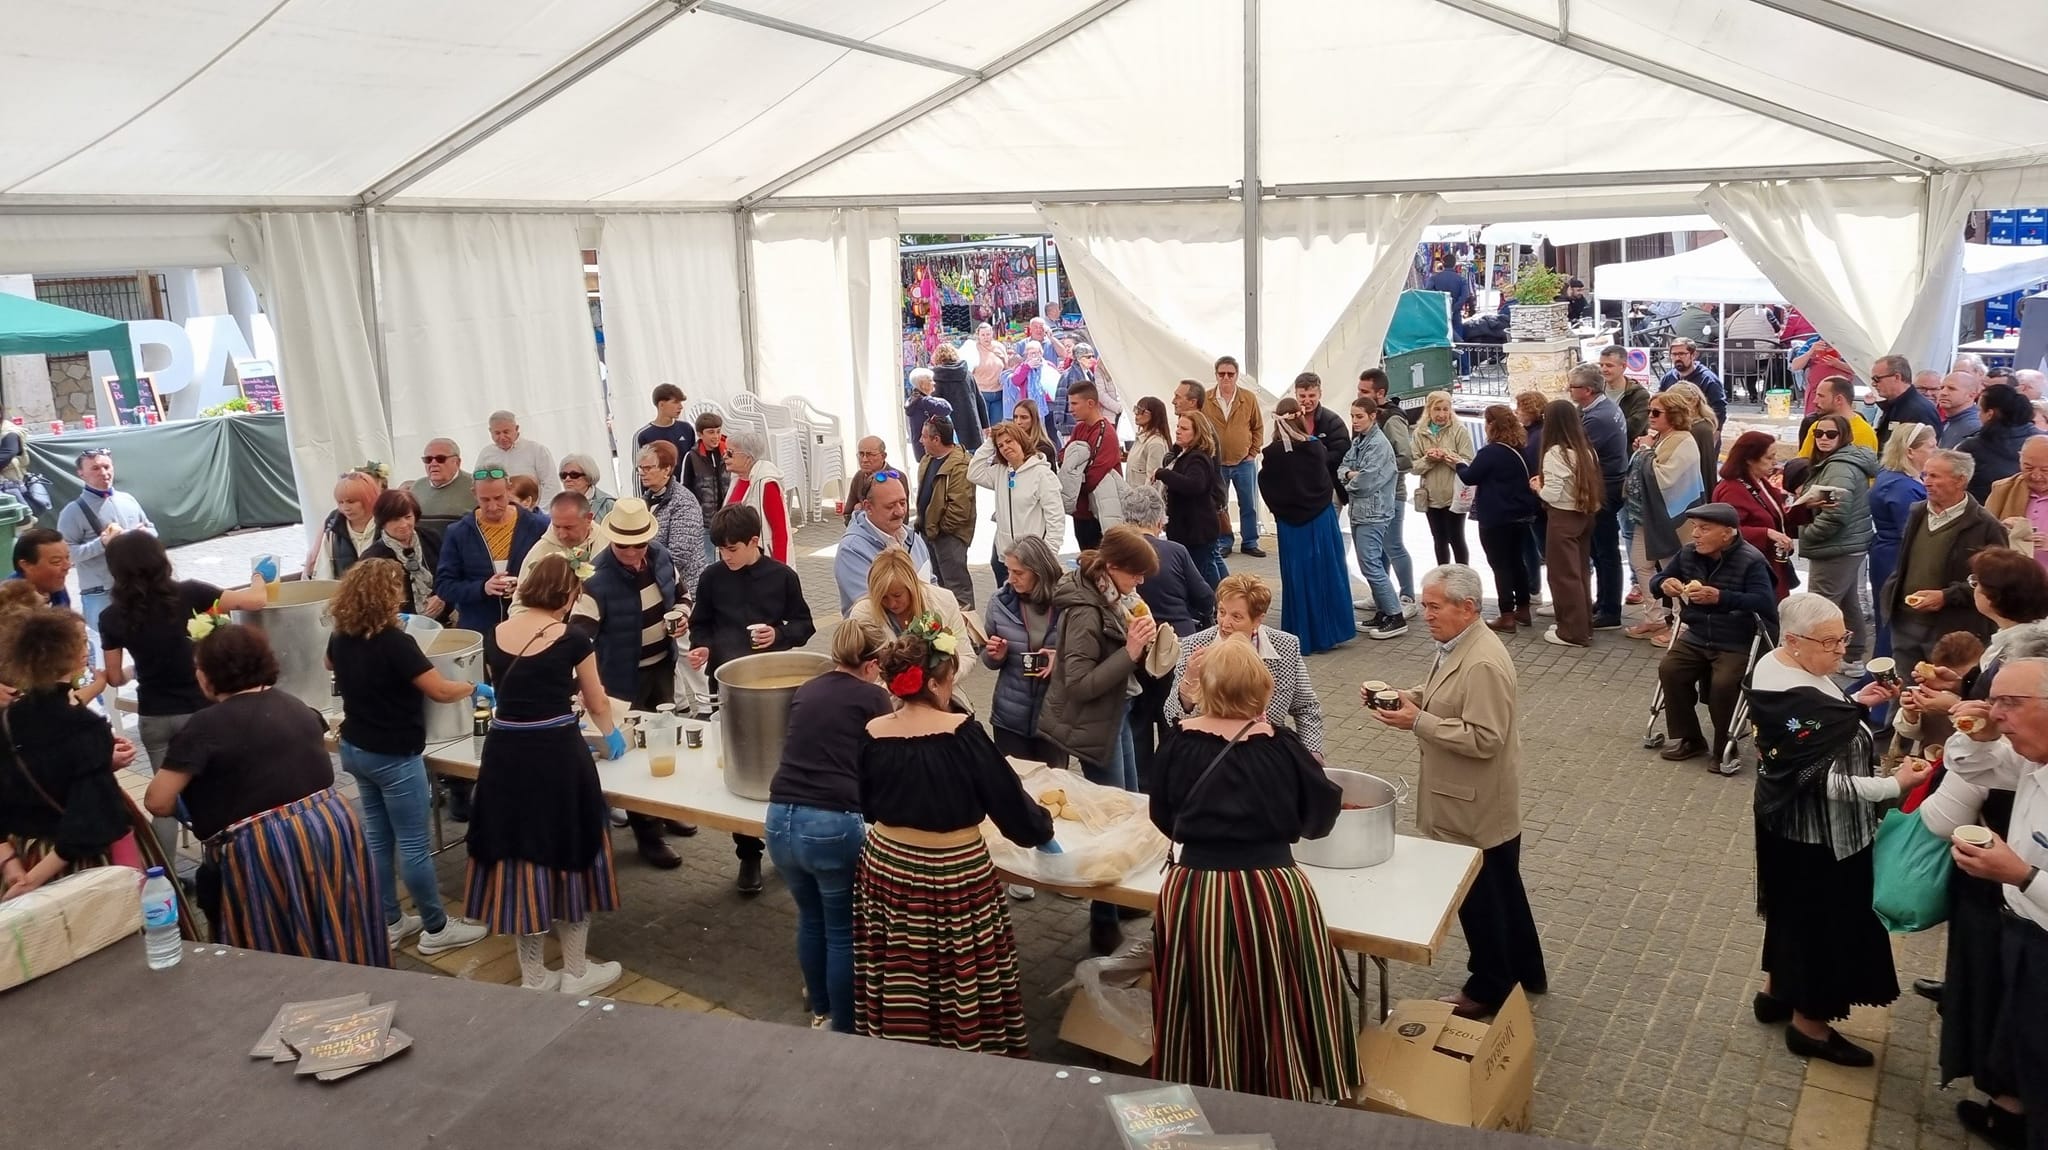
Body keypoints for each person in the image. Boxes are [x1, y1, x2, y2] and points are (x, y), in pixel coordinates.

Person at [1149, 638, 1354, 1101]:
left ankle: (1209, 1083)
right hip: (1272, 888)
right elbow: (1319, 820)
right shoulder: (1284, 747)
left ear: (1207, 688)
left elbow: (1162, 816)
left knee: (1206, 992)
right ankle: (1281, 1083)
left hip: (1196, 889)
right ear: (1262, 690)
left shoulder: (1177, 743)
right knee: (1275, 991)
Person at [854, 618, 1055, 1053]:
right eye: (948, 679)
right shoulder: (963, 734)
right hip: (952, 874)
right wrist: (1042, 828)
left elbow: (866, 804)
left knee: (902, 964)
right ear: (934, 683)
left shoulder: (873, 733)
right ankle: (965, 1046)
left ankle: (900, 1042)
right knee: (957, 965)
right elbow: (1011, 808)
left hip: (886, 867)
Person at [142, 623, 386, 964]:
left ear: (210, 675)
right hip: (331, 831)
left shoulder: (204, 726)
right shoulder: (297, 706)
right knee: (336, 923)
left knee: (275, 945)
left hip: (266, 850)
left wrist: (191, 806)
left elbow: (157, 801)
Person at [1747, 593, 1920, 1066]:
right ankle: (1810, 1027)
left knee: (1791, 916)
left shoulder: (1775, 667)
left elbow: (1808, 736)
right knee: (1825, 930)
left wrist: (1855, 703)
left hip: (1784, 826)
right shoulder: (1797, 695)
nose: (1842, 649)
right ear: (1793, 640)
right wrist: (1894, 785)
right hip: (1823, 838)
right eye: (1829, 642)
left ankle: (1776, 994)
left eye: (1843, 636)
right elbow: (1826, 782)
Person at [1367, 564, 1546, 1018]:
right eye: (1425, 605)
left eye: (1434, 607)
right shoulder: (1459, 644)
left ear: (1467, 608)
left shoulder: (1482, 661)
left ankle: (1488, 987)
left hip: (1474, 805)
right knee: (1503, 888)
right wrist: (1408, 696)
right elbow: (1445, 692)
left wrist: (1418, 722)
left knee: (1480, 899)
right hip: (1476, 801)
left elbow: (1485, 738)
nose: (1425, 615)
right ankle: (1527, 970)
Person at [463, 554, 626, 995]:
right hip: (556, 755)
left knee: (517, 854)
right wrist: (612, 734)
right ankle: (576, 972)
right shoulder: (573, 639)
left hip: (504, 754)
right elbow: (596, 701)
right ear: (568, 595)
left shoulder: (496, 633)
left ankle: (534, 976)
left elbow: (508, 690)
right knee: (572, 847)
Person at [326, 559, 488, 955]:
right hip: (394, 756)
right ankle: (436, 929)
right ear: (386, 596)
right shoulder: (396, 643)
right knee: (414, 845)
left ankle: (391, 921)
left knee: (379, 839)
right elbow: (440, 691)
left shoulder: (342, 634)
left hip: (356, 748)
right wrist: (473, 687)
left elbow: (330, 664)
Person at [1923, 659, 2048, 1144]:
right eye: (1993, 702)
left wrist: (2020, 875)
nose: (1997, 715)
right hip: (2021, 929)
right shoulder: (2034, 758)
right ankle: (2011, 1120)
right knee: (2018, 1040)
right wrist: (1977, 735)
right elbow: (1973, 766)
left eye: (2010, 703)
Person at [99, 531, 268, 859]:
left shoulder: (111, 616)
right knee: (219, 789)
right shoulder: (190, 593)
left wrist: (137, 669)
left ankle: (165, 874)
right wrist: (259, 576)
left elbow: (116, 677)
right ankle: (225, 862)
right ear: (160, 559)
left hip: (154, 716)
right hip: (201, 712)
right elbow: (255, 601)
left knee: (165, 801)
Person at [765, 619, 891, 1033]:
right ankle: (843, 1026)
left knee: (810, 918)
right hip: (830, 825)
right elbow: (884, 762)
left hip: (779, 820)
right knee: (841, 931)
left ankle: (819, 1009)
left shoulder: (807, 689)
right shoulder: (873, 697)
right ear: (871, 664)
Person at [1043, 525, 1160, 954]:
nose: (1140, 583)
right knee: (1110, 823)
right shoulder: (1084, 612)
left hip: (1119, 712)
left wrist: (1145, 643)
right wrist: (1130, 652)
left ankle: (1121, 900)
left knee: (1126, 809)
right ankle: (1103, 921)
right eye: (1135, 574)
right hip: (1097, 722)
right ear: (1111, 567)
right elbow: (1078, 683)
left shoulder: (1114, 597)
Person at [0, 609, 168, 905]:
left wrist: (11, 864)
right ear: (71, 657)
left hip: (22, 853)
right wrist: (33, 881)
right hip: (80, 865)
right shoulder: (85, 727)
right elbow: (90, 817)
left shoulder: (6, 721)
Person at [583, 499, 688, 872]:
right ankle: (649, 836)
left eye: (638, 544)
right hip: (621, 681)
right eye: (623, 545)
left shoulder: (661, 556)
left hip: (661, 668)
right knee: (635, 758)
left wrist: (682, 614)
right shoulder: (595, 578)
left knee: (666, 742)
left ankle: (668, 811)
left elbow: (683, 594)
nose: (631, 552)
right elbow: (580, 637)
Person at [1650, 504, 1781, 764]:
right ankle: (1691, 739)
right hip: (1699, 633)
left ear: (1727, 533)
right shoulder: (1688, 553)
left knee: (1724, 684)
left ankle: (1724, 746)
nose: (1695, 534)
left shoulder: (1751, 560)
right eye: (1694, 527)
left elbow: (1765, 602)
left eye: (1704, 528)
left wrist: (1722, 597)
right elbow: (1659, 579)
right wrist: (1664, 583)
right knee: (1670, 669)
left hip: (1739, 637)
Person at [1165, 572, 1325, 757]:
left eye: (1236, 616)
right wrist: (1189, 683)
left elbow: (1306, 707)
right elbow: (1172, 717)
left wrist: (1312, 754)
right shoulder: (1194, 645)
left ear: (1258, 620)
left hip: (1266, 755)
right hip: (1210, 755)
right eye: (1221, 612)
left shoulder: (1286, 646)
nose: (1225, 623)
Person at [1880, 449, 2008, 677]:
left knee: (1944, 688)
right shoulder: (1917, 512)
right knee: (1907, 688)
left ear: (1960, 480)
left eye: (1934, 476)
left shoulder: (1986, 526)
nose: (1926, 482)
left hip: (1951, 630)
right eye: (1925, 475)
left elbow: (1996, 583)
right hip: (1906, 621)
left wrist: (1946, 596)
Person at [1124, 486, 1213, 781]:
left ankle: (1141, 787)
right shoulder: (1175, 551)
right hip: (1177, 646)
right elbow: (1205, 596)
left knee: (1137, 723)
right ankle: (1171, 784)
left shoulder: (1117, 554)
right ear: (1158, 520)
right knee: (1172, 720)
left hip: (1135, 649)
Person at [1261, 398, 1354, 655]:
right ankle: (1332, 631)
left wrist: (1280, 511)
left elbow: (1265, 484)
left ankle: (1302, 632)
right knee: (1327, 573)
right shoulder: (1315, 447)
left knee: (1298, 577)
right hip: (1320, 519)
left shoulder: (1271, 454)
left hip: (1291, 526)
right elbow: (1325, 481)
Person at [435, 468, 548, 666]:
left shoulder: (539, 526)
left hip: (530, 631)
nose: (493, 506)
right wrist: (482, 588)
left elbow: (555, 575)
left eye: (499, 498)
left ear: (509, 489)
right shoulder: (458, 533)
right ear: (474, 494)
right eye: (485, 500)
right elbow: (444, 586)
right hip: (480, 633)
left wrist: (525, 585)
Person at [1796, 414, 1879, 672]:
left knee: (1820, 607)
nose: (1823, 438)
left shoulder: (1839, 467)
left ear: (1843, 436)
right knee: (1846, 602)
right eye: (1818, 434)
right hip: (1848, 544)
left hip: (1836, 546)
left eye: (1831, 434)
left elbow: (1835, 514)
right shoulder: (1842, 461)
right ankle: (1853, 658)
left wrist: (1807, 534)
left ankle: (1816, 663)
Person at [1623, 393, 1706, 644]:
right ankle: (1654, 618)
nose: (1650, 416)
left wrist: (1645, 450)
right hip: (1646, 515)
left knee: (1675, 570)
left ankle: (1683, 624)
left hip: (1672, 519)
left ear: (1674, 415)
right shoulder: (1661, 437)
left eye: (1656, 412)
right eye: (1650, 411)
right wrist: (1644, 449)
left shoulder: (1684, 441)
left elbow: (1663, 478)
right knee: (1641, 564)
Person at [981, 536, 1069, 775]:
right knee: (1015, 785)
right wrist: (995, 655)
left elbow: (1087, 653)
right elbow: (987, 655)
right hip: (1010, 717)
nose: (1011, 578)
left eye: (1018, 572)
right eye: (1009, 570)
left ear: (1039, 571)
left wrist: (1060, 659)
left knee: (1054, 787)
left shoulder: (1068, 603)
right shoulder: (1000, 602)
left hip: (1054, 717)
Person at [1456, 405, 1541, 634]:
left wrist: (1458, 463)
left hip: (1496, 517)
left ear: (1492, 425)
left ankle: (1506, 615)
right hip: (1520, 514)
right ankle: (1523, 608)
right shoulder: (1520, 449)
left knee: (1500, 565)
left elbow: (1470, 477)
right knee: (1517, 562)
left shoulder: (1490, 452)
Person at [56, 447, 155, 640]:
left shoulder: (128, 500)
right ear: (81, 474)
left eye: (106, 466)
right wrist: (102, 543)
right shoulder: (72, 512)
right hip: (100, 592)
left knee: (148, 643)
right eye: (95, 468)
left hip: (138, 587)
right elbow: (67, 554)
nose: (103, 472)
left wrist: (144, 535)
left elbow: (152, 529)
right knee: (102, 648)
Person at [847, 548, 972, 681]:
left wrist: (939, 679)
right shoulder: (863, 614)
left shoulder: (944, 600)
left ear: (912, 587)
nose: (892, 604)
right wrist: (897, 686)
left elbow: (966, 656)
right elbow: (859, 669)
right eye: (883, 597)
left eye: (897, 595)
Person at [1538, 399, 1604, 648]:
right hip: (1585, 516)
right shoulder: (1586, 450)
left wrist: (1538, 488)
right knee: (1580, 573)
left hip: (1563, 517)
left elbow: (1553, 493)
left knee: (1563, 576)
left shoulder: (1556, 453)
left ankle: (1572, 632)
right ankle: (1582, 626)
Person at [1341, 397, 1407, 641]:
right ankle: (1383, 611)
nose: (1355, 421)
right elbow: (1343, 467)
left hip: (1374, 513)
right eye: (1353, 416)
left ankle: (1395, 615)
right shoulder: (1360, 441)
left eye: (1359, 416)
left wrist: (1350, 479)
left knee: (1371, 564)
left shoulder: (1378, 444)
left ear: (1372, 416)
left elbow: (1366, 481)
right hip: (1360, 512)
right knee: (1369, 563)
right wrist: (1351, 475)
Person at [969, 420, 1064, 587]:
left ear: (1021, 440)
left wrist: (1048, 555)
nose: (1005, 447)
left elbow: (1056, 520)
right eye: (1000, 445)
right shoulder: (1000, 472)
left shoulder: (1042, 474)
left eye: (1009, 441)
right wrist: (990, 441)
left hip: (1032, 559)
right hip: (1005, 557)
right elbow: (973, 473)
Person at [1572, 364, 1631, 630]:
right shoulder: (1604, 408)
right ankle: (1603, 601)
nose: (1569, 390)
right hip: (1608, 484)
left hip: (1604, 488)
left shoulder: (1597, 418)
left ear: (1587, 390)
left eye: (1573, 386)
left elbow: (1578, 454)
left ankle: (1610, 611)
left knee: (1605, 552)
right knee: (1599, 550)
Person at [1869, 424, 1935, 655]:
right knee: (1897, 617)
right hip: (1897, 557)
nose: (1936, 451)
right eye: (1931, 447)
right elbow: (1912, 531)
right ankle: (1888, 665)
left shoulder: (1890, 476)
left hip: (1885, 552)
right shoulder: (1903, 488)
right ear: (1910, 451)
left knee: (1887, 615)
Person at [1715, 430, 1801, 602]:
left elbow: (1778, 518)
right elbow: (1725, 531)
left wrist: (1806, 505)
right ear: (1749, 459)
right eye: (1769, 457)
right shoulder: (1732, 489)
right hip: (1750, 571)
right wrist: (1766, 533)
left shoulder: (1759, 482)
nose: (1775, 462)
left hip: (1770, 564)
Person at [1360, 368, 1419, 613]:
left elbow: (1405, 458)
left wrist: (1375, 471)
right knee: (1378, 548)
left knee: (1393, 545)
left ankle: (1407, 597)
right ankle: (1381, 595)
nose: (1360, 395)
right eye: (1359, 390)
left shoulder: (1392, 419)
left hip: (1392, 494)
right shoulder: (1370, 416)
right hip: (1373, 495)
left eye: (1365, 391)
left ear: (1380, 393)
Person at [835, 469, 930, 614]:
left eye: (903, 503)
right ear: (868, 507)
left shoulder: (913, 539)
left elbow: (932, 587)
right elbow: (874, 609)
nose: (900, 511)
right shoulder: (851, 551)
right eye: (890, 506)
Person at [1154, 410, 1226, 590]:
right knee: (1200, 575)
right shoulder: (1183, 454)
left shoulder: (1198, 458)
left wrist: (1164, 474)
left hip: (1197, 531)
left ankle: (1217, 604)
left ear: (1197, 433)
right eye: (1178, 427)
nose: (1178, 431)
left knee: (1203, 578)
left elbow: (1195, 485)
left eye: (1184, 428)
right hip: (1187, 529)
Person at [1203, 356, 1266, 558]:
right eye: (1222, 374)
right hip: (1217, 463)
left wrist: (1253, 452)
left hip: (1244, 462)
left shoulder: (1248, 398)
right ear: (1216, 375)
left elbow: (1257, 426)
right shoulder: (1206, 399)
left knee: (1248, 504)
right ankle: (1224, 541)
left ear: (1237, 375)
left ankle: (1250, 541)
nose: (1226, 378)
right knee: (1219, 505)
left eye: (1230, 374)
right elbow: (1200, 428)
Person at [516, 491, 607, 623]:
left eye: (569, 527)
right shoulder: (541, 551)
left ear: (588, 518)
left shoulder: (607, 544)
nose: (562, 534)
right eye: (557, 526)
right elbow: (520, 602)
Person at [915, 416, 977, 610]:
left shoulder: (960, 465)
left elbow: (960, 509)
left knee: (957, 589)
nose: (920, 440)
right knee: (938, 588)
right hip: (929, 533)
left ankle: (967, 627)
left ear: (937, 439)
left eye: (924, 436)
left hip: (949, 537)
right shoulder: (928, 460)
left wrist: (940, 529)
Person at [360, 488, 447, 621]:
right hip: (399, 625)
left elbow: (451, 574)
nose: (404, 524)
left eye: (408, 517)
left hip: (443, 619)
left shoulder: (431, 538)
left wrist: (442, 596)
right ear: (383, 522)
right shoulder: (373, 557)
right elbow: (371, 602)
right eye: (395, 519)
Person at [1059, 381, 1127, 551]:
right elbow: (1062, 457)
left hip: (1098, 512)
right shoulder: (1079, 428)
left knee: (1101, 558)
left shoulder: (1105, 432)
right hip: (1080, 511)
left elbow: (1093, 477)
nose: (1070, 409)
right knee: (1086, 557)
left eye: (1074, 404)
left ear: (1090, 403)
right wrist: (1071, 469)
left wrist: (1072, 474)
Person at [636, 440, 711, 593]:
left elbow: (678, 556)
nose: (642, 472)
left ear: (667, 470)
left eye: (648, 468)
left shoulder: (684, 502)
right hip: (656, 585)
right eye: (640, 468)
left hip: (684, 589)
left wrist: (641, 573)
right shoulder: (645, 499)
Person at [1412, 390, 1474, 565]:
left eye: (1446, 409)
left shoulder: (1459, 430)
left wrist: (1446, 455)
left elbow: (1468, 462)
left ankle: (1462, 574)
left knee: (1456, 538)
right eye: (1437, 409)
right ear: (1429, 410)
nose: (1441, 414)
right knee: (1439, 539)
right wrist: (1428, 459)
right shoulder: (1420, 433)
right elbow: (1414, 467)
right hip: (1431, 496)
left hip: (1454, 495)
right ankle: (1443, 574)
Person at [1959, 382, 2043, 502]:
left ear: (1990, 414)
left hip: (1985, 510)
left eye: (1980, 410)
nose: (1978, 415)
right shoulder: (2043, 441)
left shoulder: (1972, 447)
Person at [723, 429, 792, 565]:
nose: (725, 456)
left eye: (730, 453)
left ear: (748, 458)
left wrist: (778, 568)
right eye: (725, 452)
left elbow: (780, 531)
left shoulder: (766, 484)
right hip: (736, 562)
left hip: (760, 563)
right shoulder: (736, 479)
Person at [1987, 434, 2048, 576]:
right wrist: (2001, 529)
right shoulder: (2003, 490)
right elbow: (1981, 537)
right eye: (2028, 468)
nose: (2036, 476)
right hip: (2012, 579)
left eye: (2045, 470)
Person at [303, 471, 380, 580]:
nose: (346, 508)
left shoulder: (386, 527)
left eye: (351, 501)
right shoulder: (333, 530)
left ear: (369, 498)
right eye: (341, 502)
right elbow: (324, 571)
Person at [475, 410, 559, 502]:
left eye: (506, 432)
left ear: (516, 428)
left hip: (531, 507)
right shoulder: (486, 454)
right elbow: (478, 484)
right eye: (497, 433)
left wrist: (539, 509)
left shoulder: (537, 450)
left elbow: (551, 485)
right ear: (490, 431)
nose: (502, 437)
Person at [406, 438, 474, 548]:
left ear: (457, 462)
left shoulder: (475, 486)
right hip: (424, 554)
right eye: (428, 459)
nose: (433, 463)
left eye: (440, 459)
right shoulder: (417, 487)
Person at [1294, 373, 1352, 501]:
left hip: (1329, 486)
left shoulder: (1333, 421)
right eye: (1302, 396)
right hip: (1298, 487)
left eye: (1312, 396)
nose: (1307, 401)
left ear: (1320, 394)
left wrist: (1315, 459)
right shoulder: (1288, 421)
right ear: (1295, 395)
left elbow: (1342, 453)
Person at [1795, 376, 1879, 457]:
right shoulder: (1818, 426)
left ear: (1838, 399)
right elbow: (1802, 461)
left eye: (1821, 396)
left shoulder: (1864, 433)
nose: (1815, 401)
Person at [1872, 355, 1938, 447]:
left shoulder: (1919, 410)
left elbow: (1927, 449)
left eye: (1877, 379)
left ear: (1897, 377)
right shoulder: (1895, 406)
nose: (1873, 384)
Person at [928, 343, 983, 454]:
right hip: (971, 424)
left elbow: (935, 406)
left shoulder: (936, 378)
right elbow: (978, 398)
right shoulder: (967, 374)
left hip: (950, 429)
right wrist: (985, 424)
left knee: (955, 459)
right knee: (974, 459)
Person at [1659, 337, 1727, 426]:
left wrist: (1715, 430)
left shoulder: (1708, 380)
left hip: (1698, 428)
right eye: (1674, 354)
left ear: (1693, 355)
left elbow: (1719, 409)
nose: (1677, 358)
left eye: (1682, 354)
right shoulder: (1668, 378)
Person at [681, 412, 731, 533]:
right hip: (705, 523)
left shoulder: (729, 453)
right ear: (700, 434)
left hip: (729, 519)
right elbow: (685, 490)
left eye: (718, 431)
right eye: (711, 432)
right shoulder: (691, 457)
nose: (716, 436)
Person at [634, 383, 696, 474]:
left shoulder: (686, 428)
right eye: (675, 402)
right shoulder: (643, 435)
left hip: (685, 483)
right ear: (661, 405)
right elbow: (638, 470)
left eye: (681, 402)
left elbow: (694, 462)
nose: (681, 407)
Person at [960, 322, 1009, 429]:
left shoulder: (1000, 347)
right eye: (983, 335)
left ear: (992, 334)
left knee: (996, 427)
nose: (986, 337)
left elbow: (1006, 367)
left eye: (988, 334)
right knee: (984, 427)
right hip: (982, 393)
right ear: (978, 335)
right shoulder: (973, 349)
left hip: (999, 392)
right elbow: (968, 371)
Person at [10, 528, 72, 609]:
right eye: (56, 561)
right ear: (26, 565)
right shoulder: (10, 603)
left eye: (67, 557)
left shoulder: (53, 584)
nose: (67, 566)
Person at [1600, 344, 1651, 443]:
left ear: (1623, 366)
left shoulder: (1639, 395)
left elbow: (1633, 429)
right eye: (1601, 365)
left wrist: (1597, 427)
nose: (1604, 369)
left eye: (1609, 365)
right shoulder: (1595, 391)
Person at [1125, 396, 1171, 496]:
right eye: (1136, 409)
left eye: (1140, 411)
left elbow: (1153, 481)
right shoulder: (1141, 438)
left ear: (1153, 415)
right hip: (1132, 498)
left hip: (1143, 501)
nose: (1136, 414)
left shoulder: (1155, 443)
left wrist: (1144, 501)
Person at [904, 368, 953, 463]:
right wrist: (939, 400)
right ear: (922, 384)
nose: (934, 383)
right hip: (931, 447)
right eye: (930, 380)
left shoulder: (912, 400)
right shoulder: (925, 402)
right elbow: (947, 409)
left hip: (920, 446)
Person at [1005, 339, 1062, 418]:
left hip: (1048, 403)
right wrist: (1027, 367)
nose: (1034, 356)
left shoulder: (1048, 365)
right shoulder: (1023, 366)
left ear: (1041, 353)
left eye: (1036, 353)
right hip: (1029, 404)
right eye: (1031, 353)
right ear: (1027, 355)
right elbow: (1015, 381)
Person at [556, 452, 616, 523]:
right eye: (563, 475)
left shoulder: (608, 505)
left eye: (574, 474)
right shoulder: (559, 505)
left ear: (588, 477)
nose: (567, 479)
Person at [844, 436, 888, 528]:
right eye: (861, 454)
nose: (864, 460)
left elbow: (900, 516)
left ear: (883, 456)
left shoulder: (895, 477)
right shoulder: (859, 476)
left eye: (870, 455)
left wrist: (863, 510)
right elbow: (848, 513)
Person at [1937, 372, 1986, 449]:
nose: (1943, 393)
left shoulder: (1975, 428)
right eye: (1941, 388)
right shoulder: (1947, 421)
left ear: (1971, 395)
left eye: (1952, 389)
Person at [1010, 398, 1060, 466]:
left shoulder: (1044, 448)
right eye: (1015, 417)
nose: (1018, 422)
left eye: (1024, 417)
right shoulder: (1009, 444)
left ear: (1034, 419)